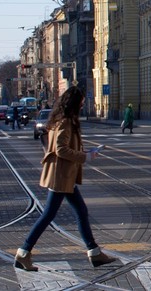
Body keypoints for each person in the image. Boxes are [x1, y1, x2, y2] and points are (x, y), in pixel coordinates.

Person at [14, 87, 116, 272]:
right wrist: (84, 157)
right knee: (48, 215)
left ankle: (94, 252)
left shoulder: (61, 119)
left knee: (80, 211)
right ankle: (23, 252)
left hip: (64, 176)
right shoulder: (66, 122)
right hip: (61, 175)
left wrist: (86, 153)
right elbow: (61, 149)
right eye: (82, 101)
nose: (83, 104)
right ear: (75, 103)